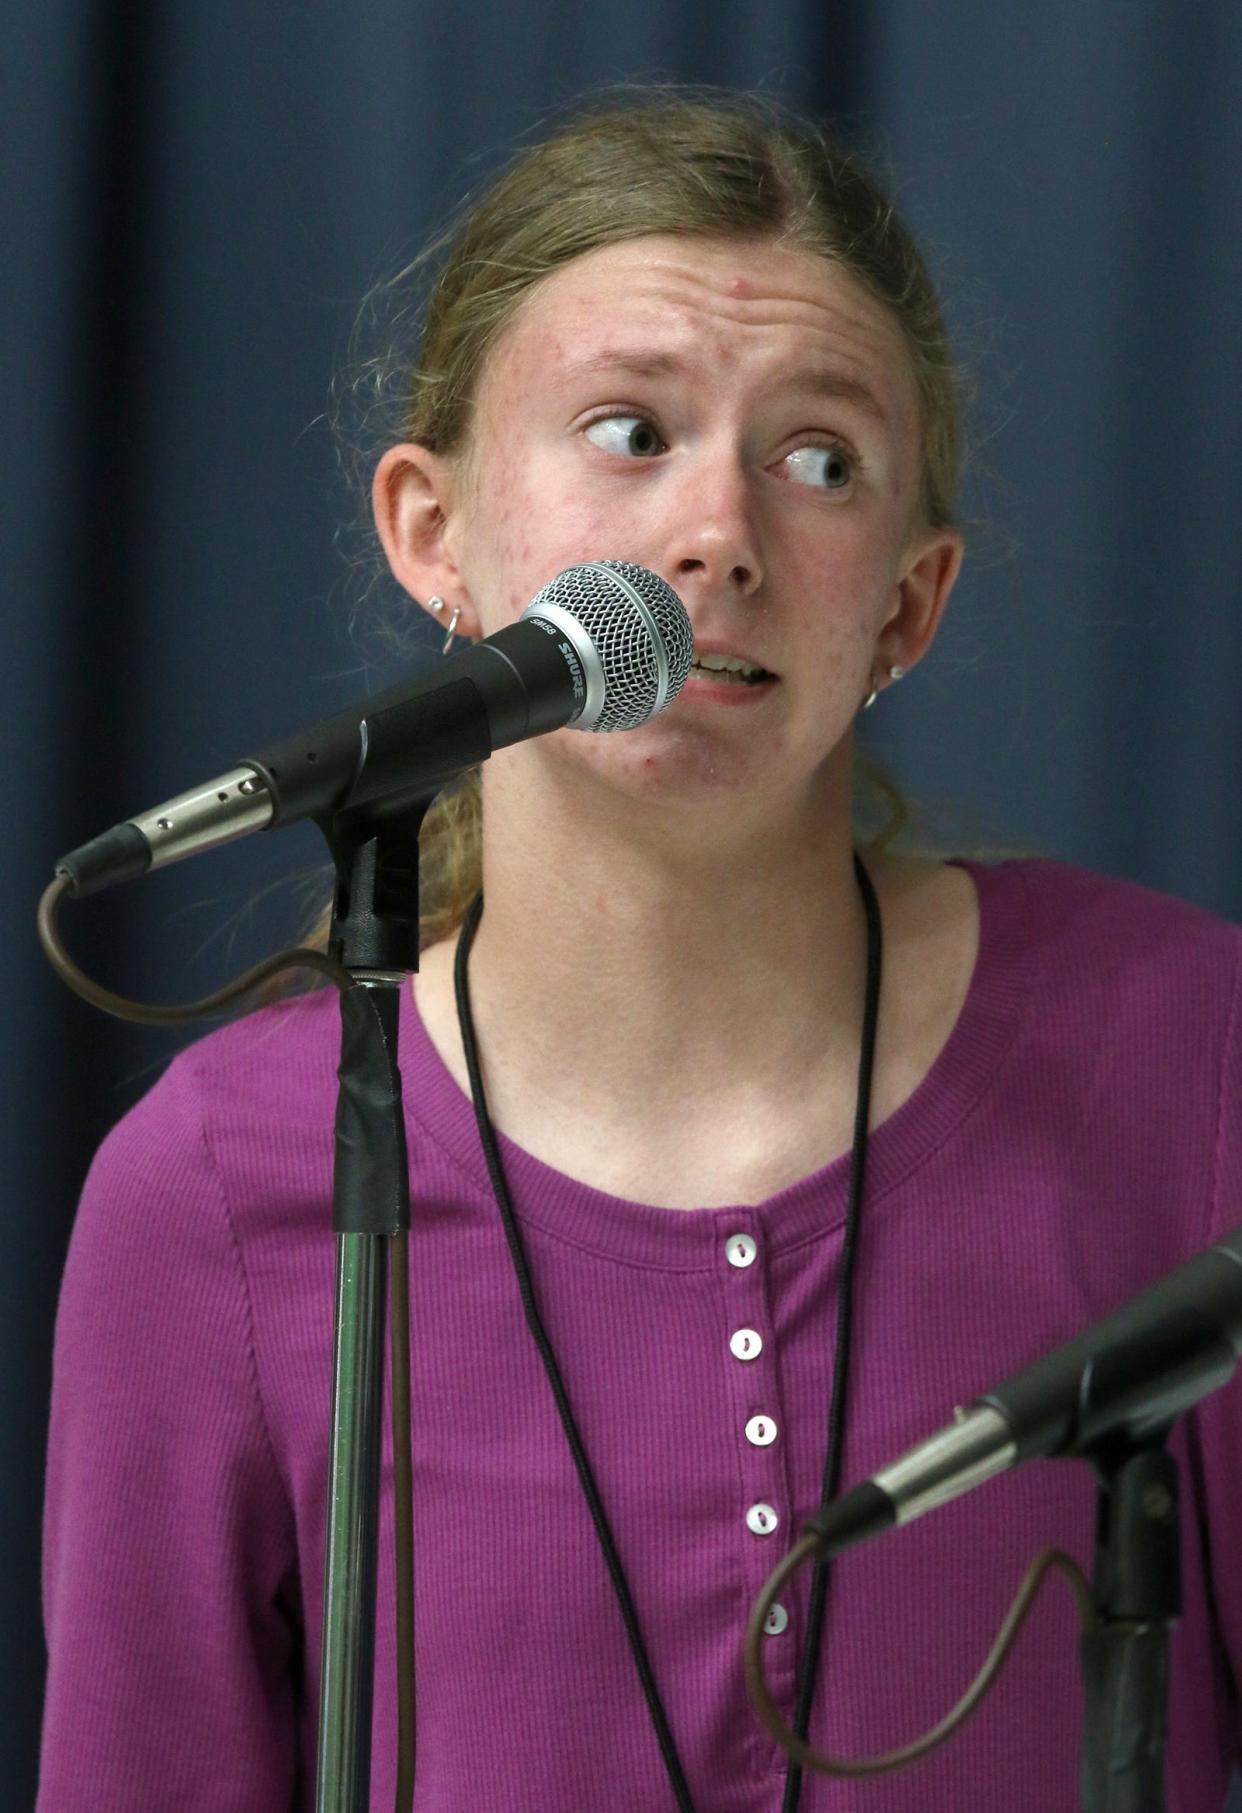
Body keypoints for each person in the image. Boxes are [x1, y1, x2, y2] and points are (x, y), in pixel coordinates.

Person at [39, 90, 1242, 1812]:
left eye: (819, 460)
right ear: (431, 533)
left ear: (906, 602)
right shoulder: (211, 1195)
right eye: (626, 430)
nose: (720, 536)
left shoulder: (1189, 1059)